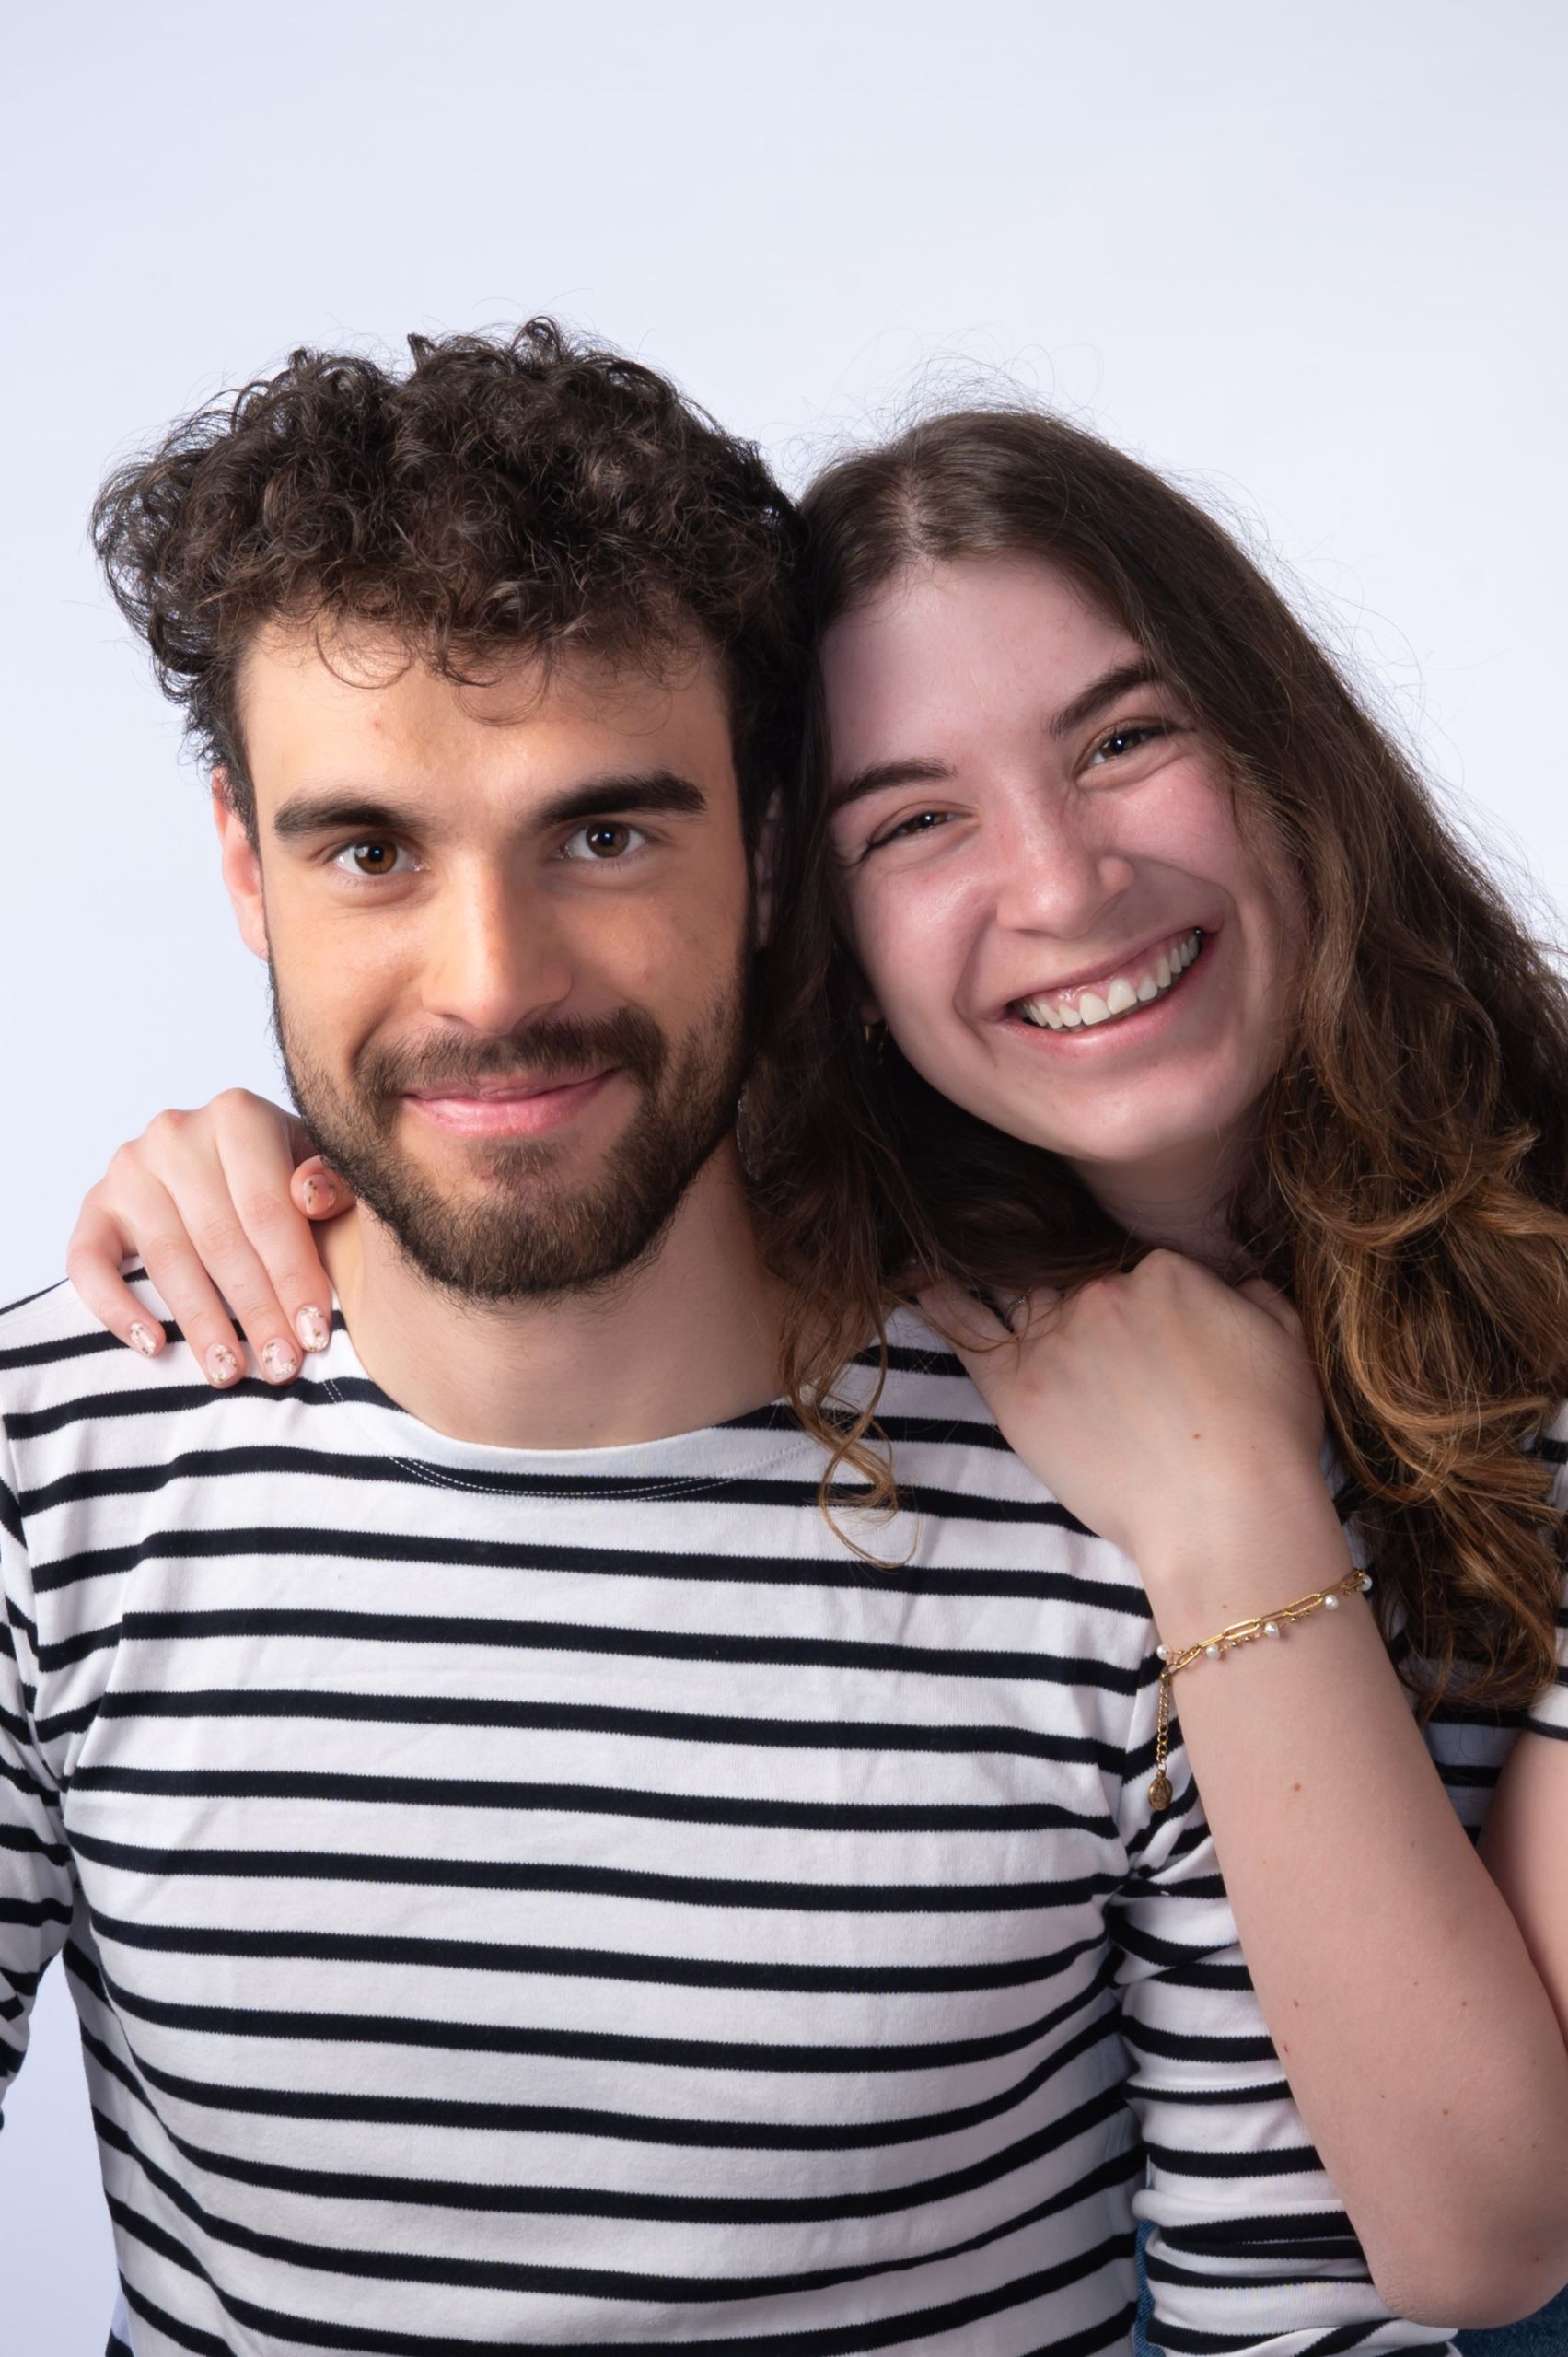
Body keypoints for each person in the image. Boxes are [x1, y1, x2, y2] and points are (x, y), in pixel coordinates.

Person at [12, 328, 1566, 2354]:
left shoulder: (1174, 1509)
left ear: (756, 871)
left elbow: (1460, 2246)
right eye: (368, 847)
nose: (1063, 885)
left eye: (606, 833)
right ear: (247, 864)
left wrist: (1244, 1543)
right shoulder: (86, 1430)